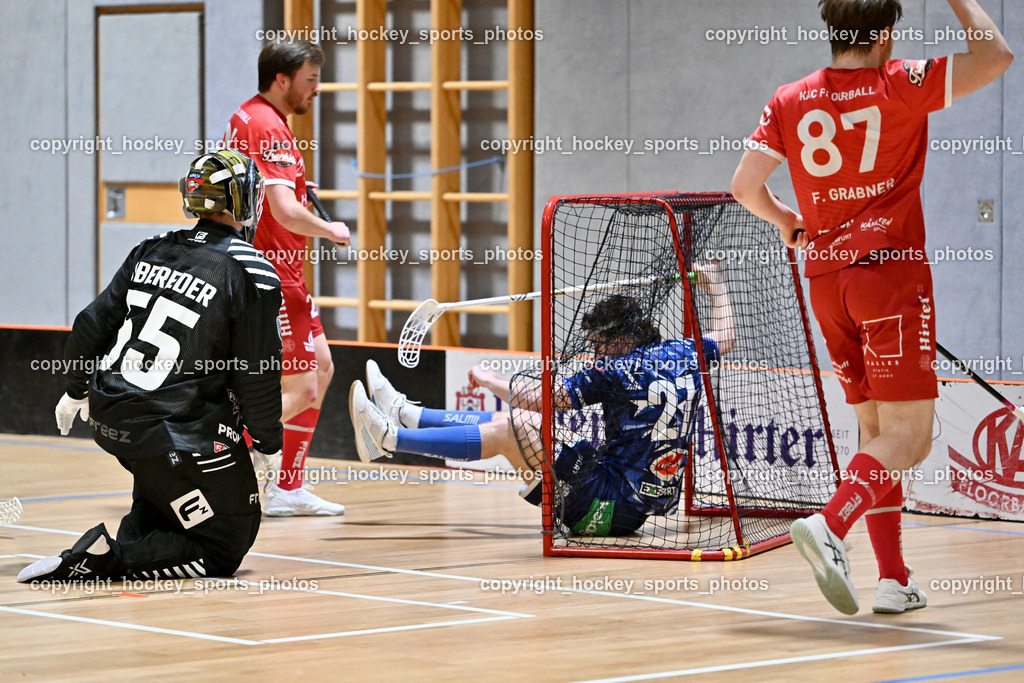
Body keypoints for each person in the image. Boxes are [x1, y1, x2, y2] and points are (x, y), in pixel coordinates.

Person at [731, 0, 1012, 615]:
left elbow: (744, 187)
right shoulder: (901, 81)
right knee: (908, 441)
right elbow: (997, 56)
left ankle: (893, 578)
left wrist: (787, 220)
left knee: (877, 435)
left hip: (827, 283)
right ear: (885, 33)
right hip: (889, 278)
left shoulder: (790, 98)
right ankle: (831, 526)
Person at [19, 149, 284, 583]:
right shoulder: (252, 270)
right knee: (226, 541)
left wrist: (75, 390)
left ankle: (130, 539)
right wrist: (269, 443)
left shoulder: (150, 250)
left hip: (114, 417)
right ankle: (105, 560)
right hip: (175, 428)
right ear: (242, 199)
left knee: (168, 483)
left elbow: (91, 324)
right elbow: (256, 372)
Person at [349, 265, 734, 535]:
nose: (593, 352)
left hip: (605, 508)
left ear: (621, 341)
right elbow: (726, 336)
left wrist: (489, 380)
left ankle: (388, 440)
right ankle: (406, 414)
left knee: (517, 426)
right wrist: (716, 285)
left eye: (598, 343)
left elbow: (544, 399)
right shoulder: (683, 352)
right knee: (514, 428)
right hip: (618, 493)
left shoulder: (616, 371)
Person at [226, 40, 351, 516]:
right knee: (303, 388)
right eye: (310, 81)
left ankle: (287, 487)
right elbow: (283, 210)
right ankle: (213, 456)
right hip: (273, 273)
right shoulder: (271, 127)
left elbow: (263, 188)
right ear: (282, 80)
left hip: (277, 269)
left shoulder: (248, 116)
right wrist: (329, 229)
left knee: (321, 368)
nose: (316, 90)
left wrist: (298, 185)